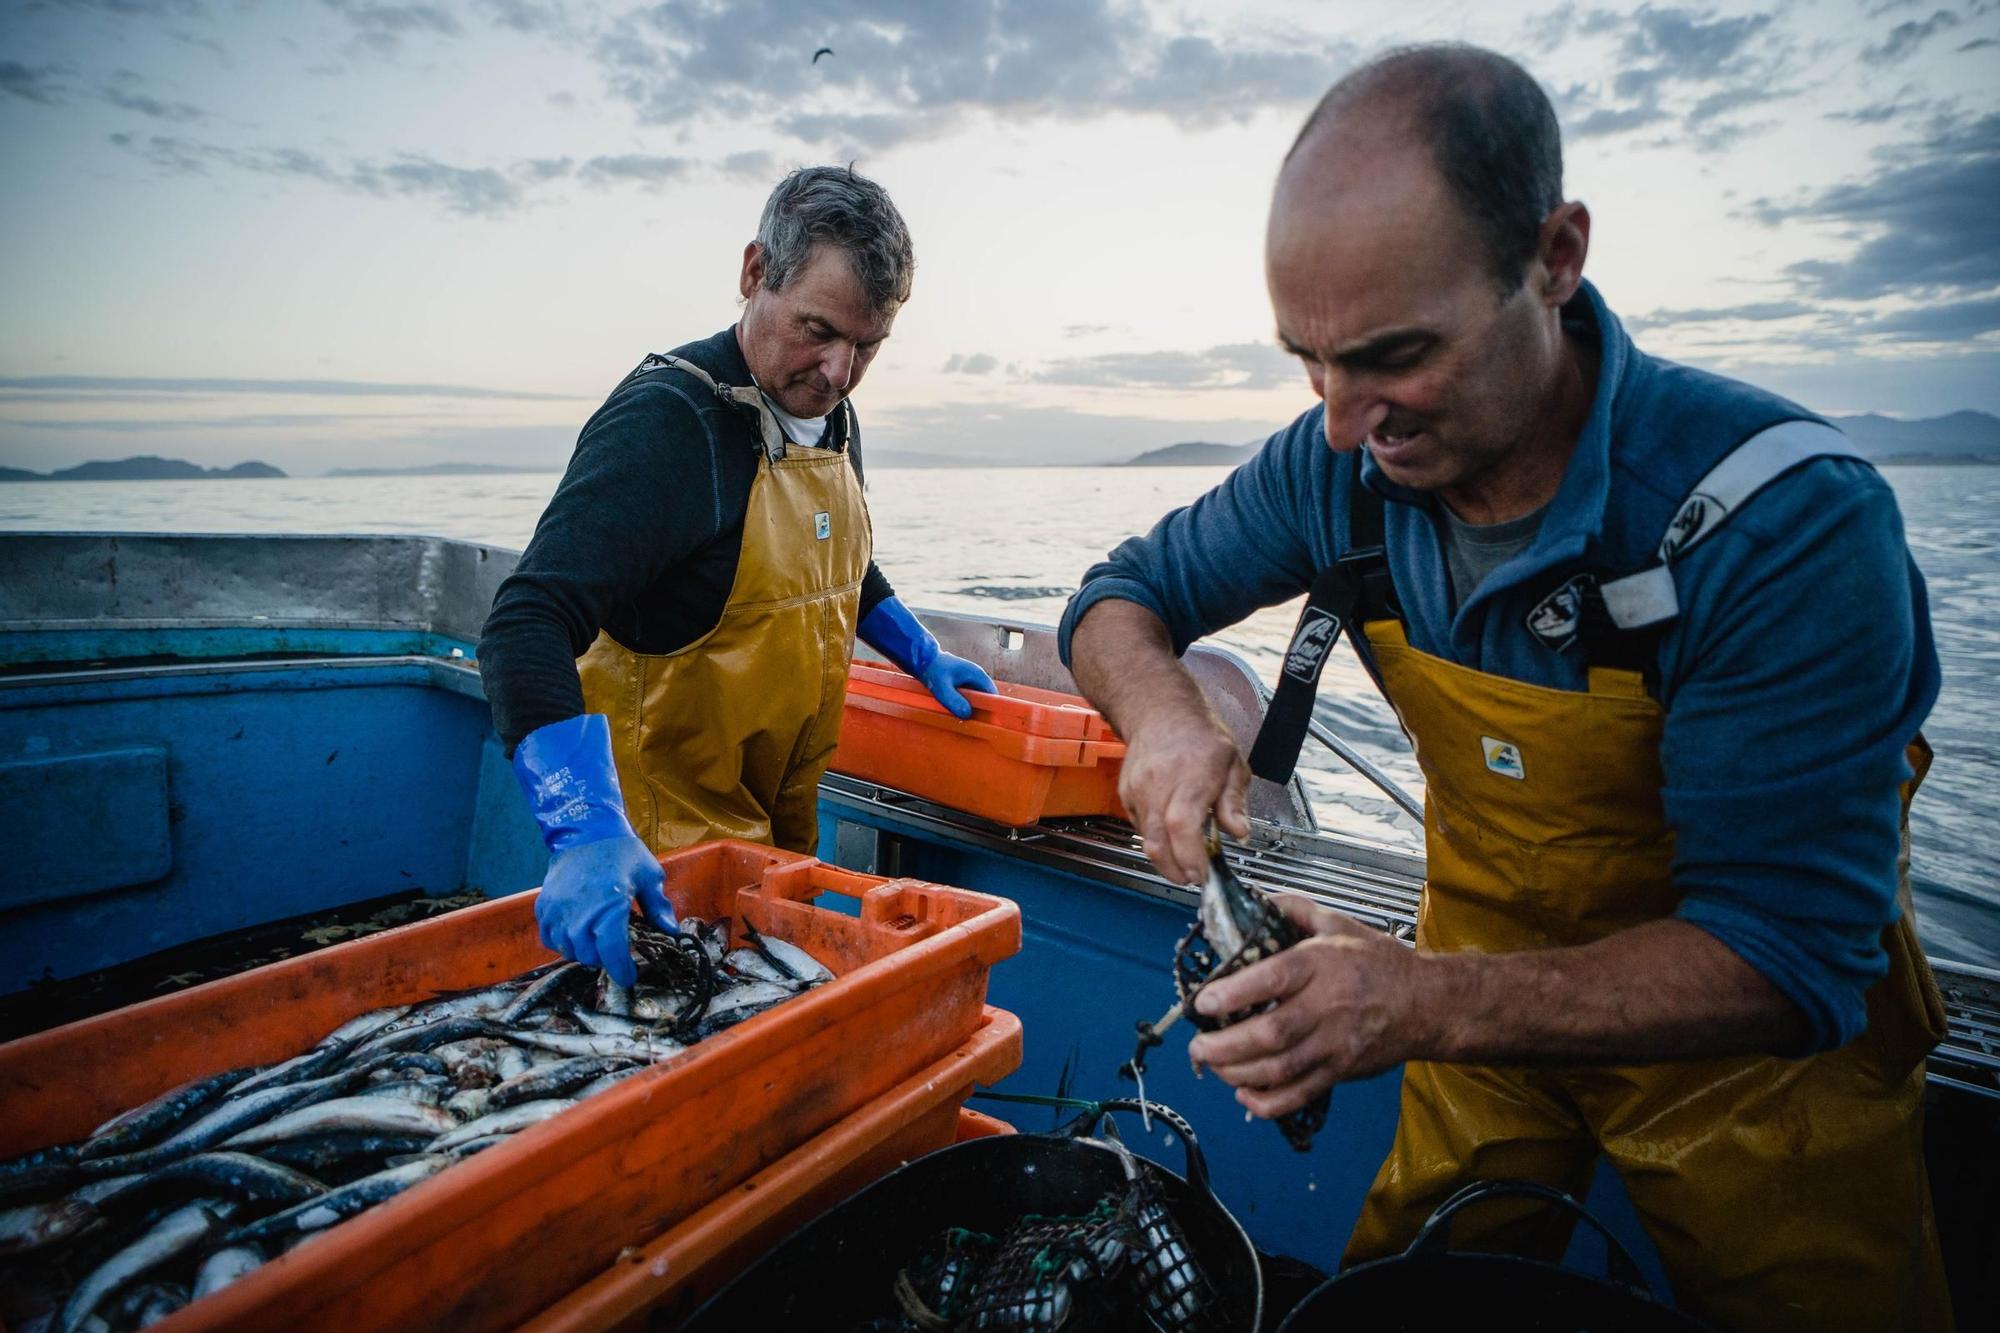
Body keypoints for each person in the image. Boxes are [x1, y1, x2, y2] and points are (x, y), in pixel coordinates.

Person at [1059, 44, 1950, 1332]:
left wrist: (1415, 997)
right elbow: (1118, 598)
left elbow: (1793, 955)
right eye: (1308, 358)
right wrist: (1163, 722)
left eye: (1391, 355)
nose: (1339, 420)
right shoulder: (1335, 466)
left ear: (1554, 256)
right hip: (1469, 1022)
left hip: (1757, 1085)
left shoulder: (1779, 524)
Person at [479, 166, 993, 987]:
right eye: (817, 329)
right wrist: (582, 828)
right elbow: (526, 619)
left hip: (773, 846)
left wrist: (917, 649)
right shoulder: (665, 424)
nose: (837, 370)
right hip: (653, 863)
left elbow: (832, 559)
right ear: (755, 272)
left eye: (867, 346)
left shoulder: (828, 413)